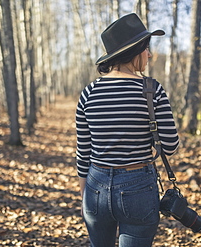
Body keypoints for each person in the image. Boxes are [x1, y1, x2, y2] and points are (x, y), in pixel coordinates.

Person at [76, 13, 179, 247]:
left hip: (95, 188)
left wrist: (85, 196)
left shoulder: (88, 93)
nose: (150, 54)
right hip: (138, 188)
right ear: (134, 51)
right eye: (146, 48)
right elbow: (170, 146)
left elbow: (83, 152)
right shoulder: (152, 90)